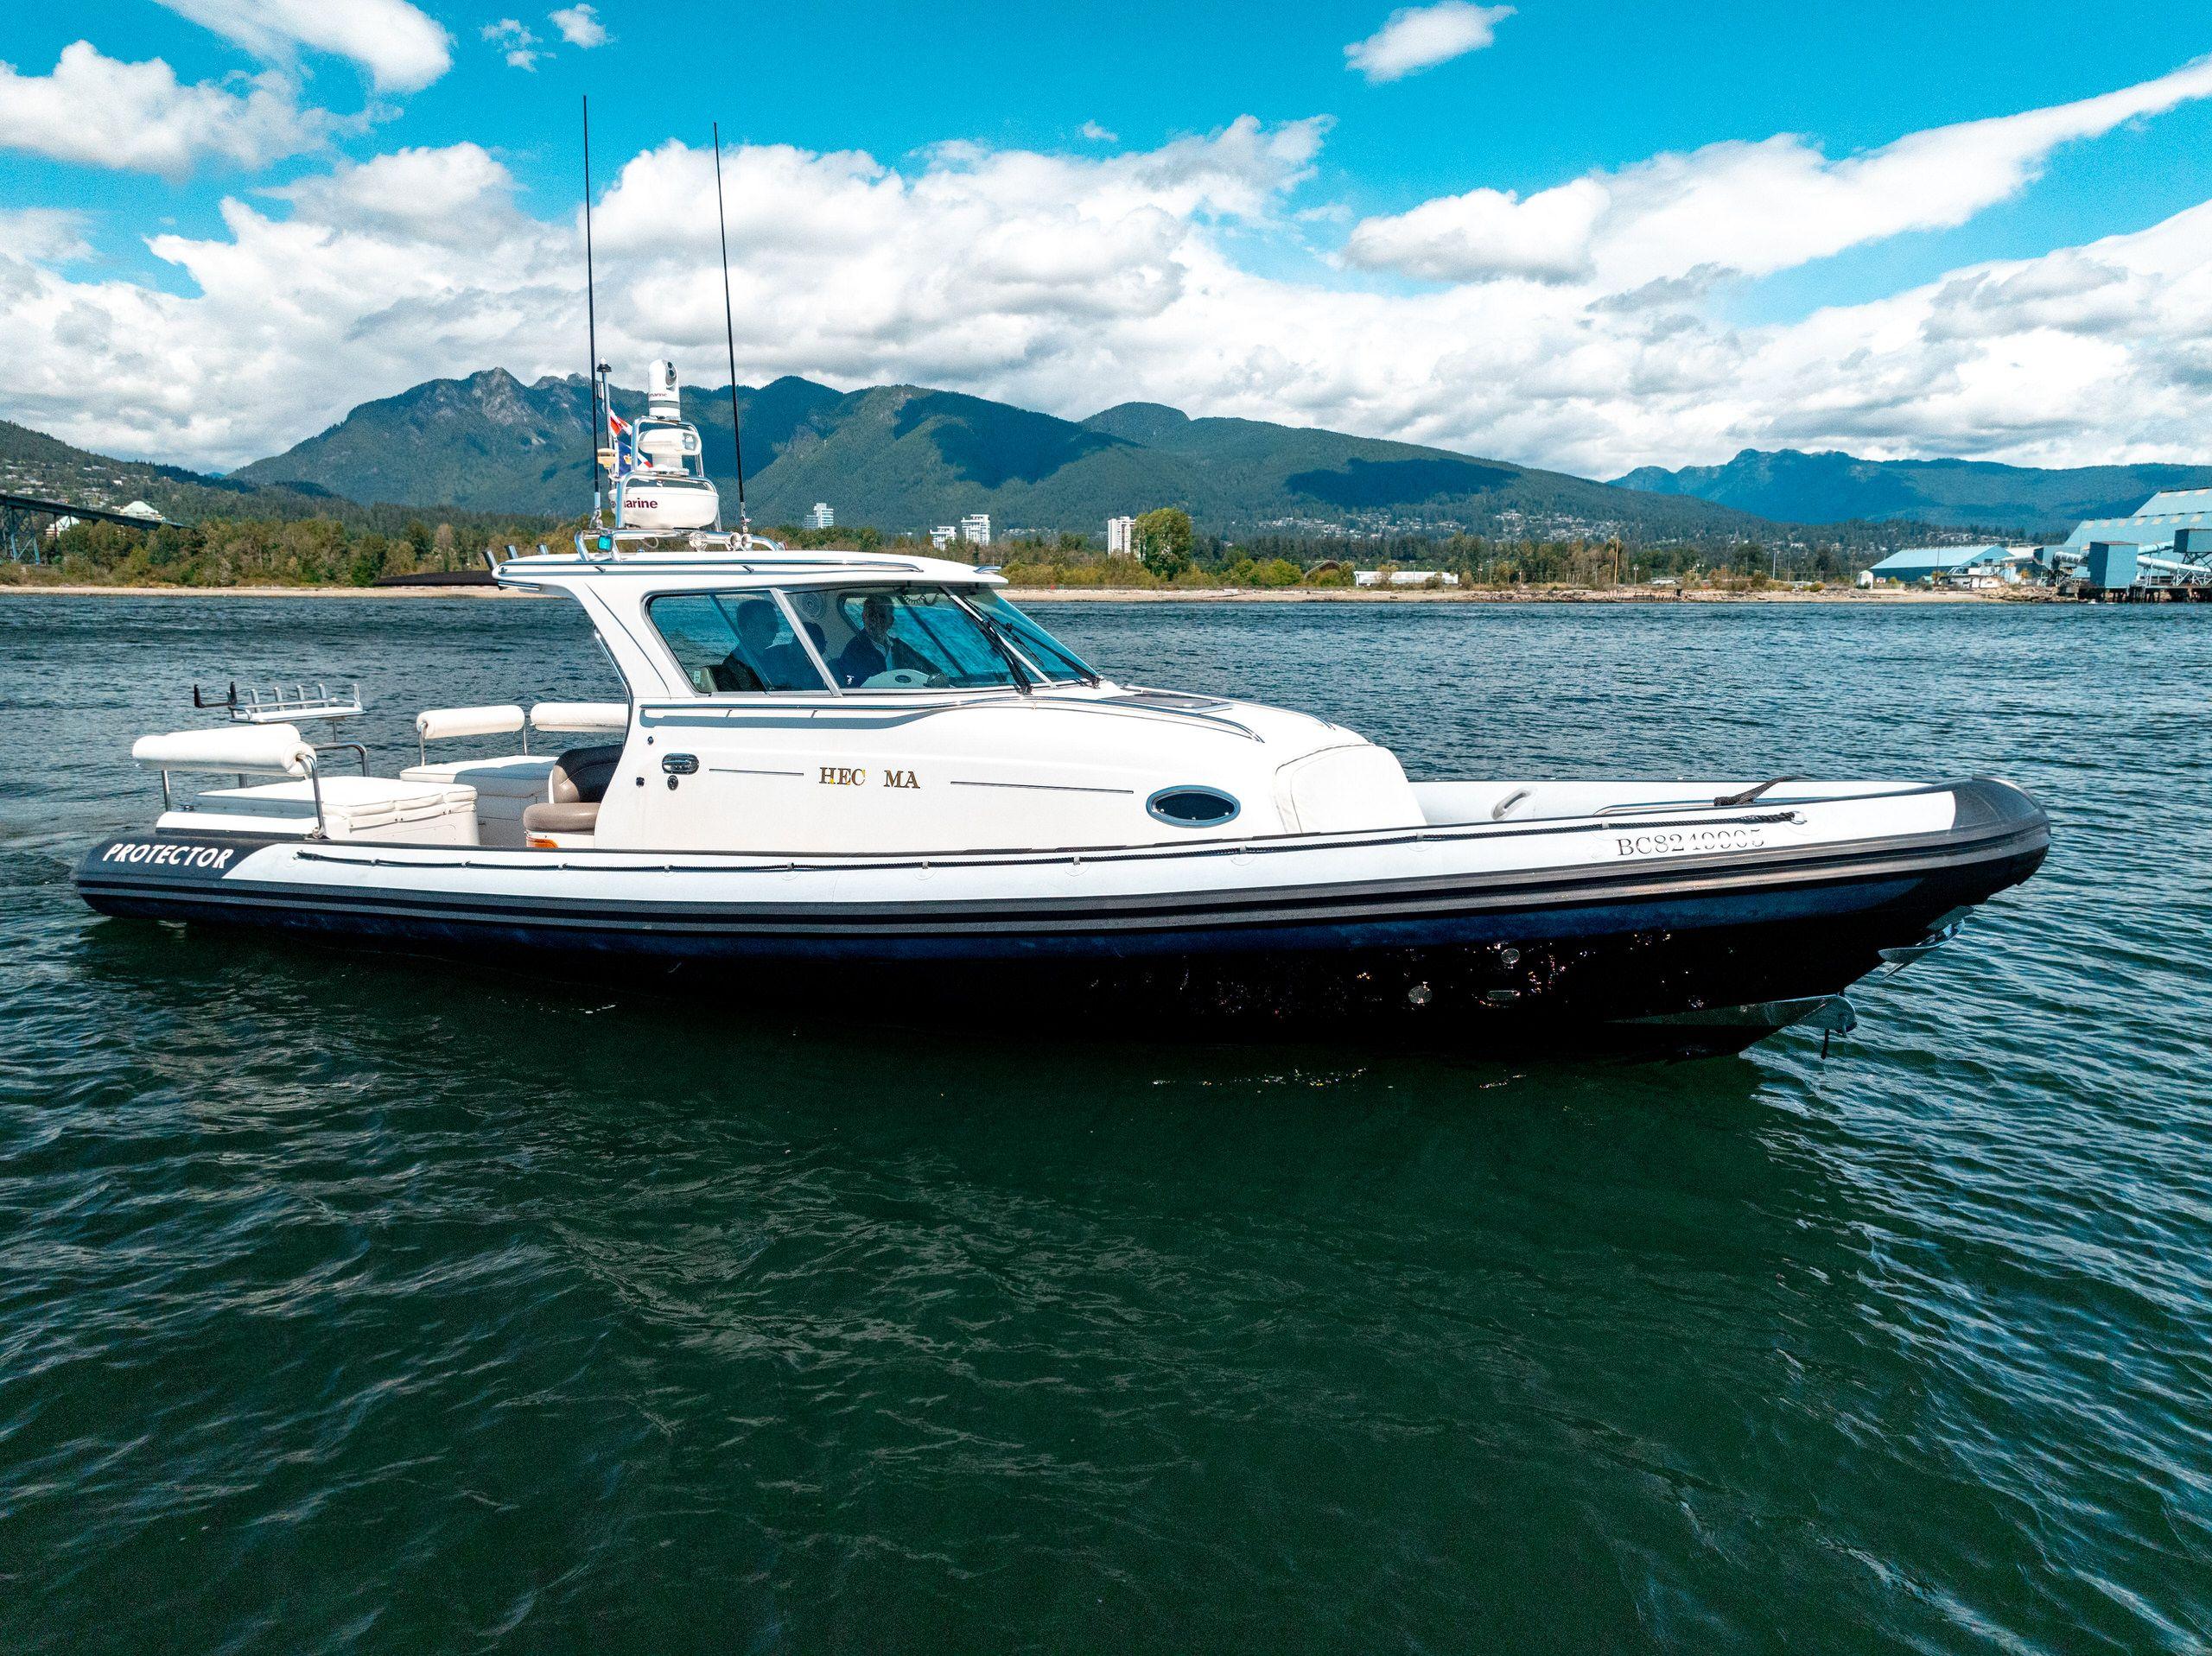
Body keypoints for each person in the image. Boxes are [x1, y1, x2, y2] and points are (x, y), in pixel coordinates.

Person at [712, 599, 813, 691]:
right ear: (751, 627)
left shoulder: (771, 658)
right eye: (772, 626)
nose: (777, 631)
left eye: (777, 626)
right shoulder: (736, 665)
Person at [835, 593, 908, 686]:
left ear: (890, 622)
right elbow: (850, 687)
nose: (875, 621)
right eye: (871, 615)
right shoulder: (853, 650)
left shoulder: (899, 647)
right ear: (863, 618)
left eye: (881, 616)